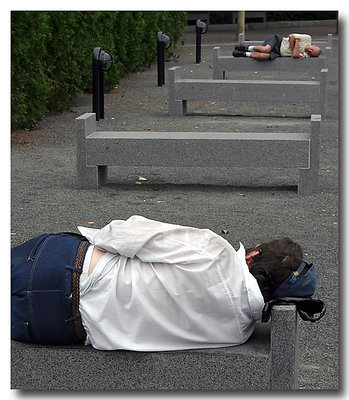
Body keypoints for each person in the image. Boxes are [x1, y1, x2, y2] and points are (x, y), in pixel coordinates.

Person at [11, 215, 316, 351]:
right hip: (56, 327)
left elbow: (130, 235)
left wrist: (94, 235)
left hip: (60, 267)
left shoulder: (216, 254)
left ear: (253, 255)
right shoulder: (237, 333)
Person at [233, 33, 321, 60]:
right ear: (314, 45)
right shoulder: (307, 39)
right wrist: (293, 47)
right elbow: (291, 36)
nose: (310, 51)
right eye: (312, 50)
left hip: (278, 53)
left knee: (265, 56)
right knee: (266, 49)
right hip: (278, 41)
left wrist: (296, 42)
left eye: (312, 54)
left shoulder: (307, 55)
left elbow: (295, 55)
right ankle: (247, 48)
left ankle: (244, 54)